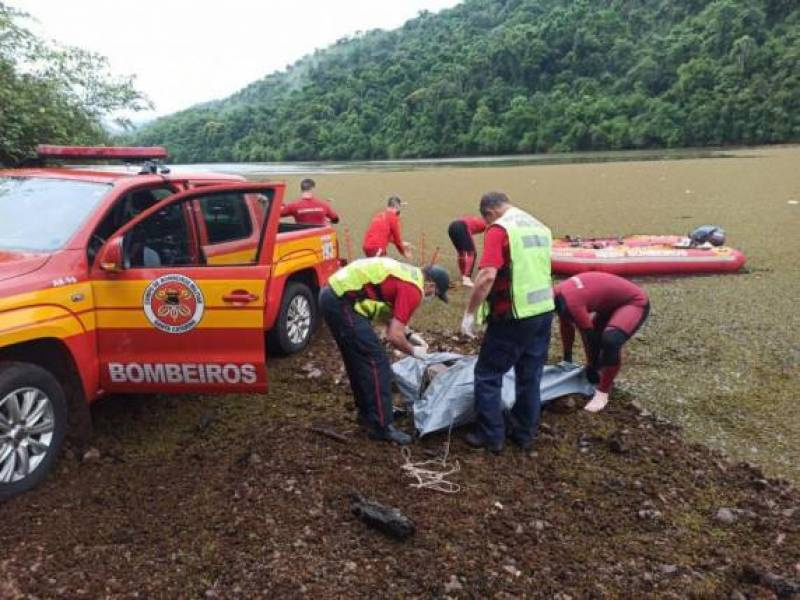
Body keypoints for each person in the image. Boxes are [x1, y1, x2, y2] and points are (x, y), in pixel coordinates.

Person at [460, 192, 554, 453]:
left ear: (490, 213)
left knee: (488, 374)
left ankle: (491, 436)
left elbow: (487, 276)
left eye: (486, 221)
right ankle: (524, 434)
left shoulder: (500, 229)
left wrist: (470, 314)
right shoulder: (540, 227)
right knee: (530, 376)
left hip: (514, 315)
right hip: (544, 311)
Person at [319, 257, 450, 444]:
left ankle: (368, 414)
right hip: (341, 301)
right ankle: (381, 425)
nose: (431, 296)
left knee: (358, 361)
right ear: (431, 284)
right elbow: (394, 336)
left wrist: (409, 334)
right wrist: (414, 351)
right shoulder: (414, 290)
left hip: (332, 295)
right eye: (435, 293)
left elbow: (388, 312)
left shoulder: (408, 274)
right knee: (376, 362)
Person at [553, 272, 649, 412]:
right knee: (598, 341)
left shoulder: (571, 304)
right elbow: (566, 325)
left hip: (634, 302)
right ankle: (600, 372)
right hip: (609, 305)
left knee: (610, 341)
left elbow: (588, 338)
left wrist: (591, 365)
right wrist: (567, 359)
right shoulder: (557, 294)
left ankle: (602, 393)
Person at [447, 215, 486, 288]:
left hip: (452, 227)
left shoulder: (477, 219)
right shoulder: (488, 223)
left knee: (461, 252)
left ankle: (463, 275)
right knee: (472, 253)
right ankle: (466, 278)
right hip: (462, 227)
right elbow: (487, 239)